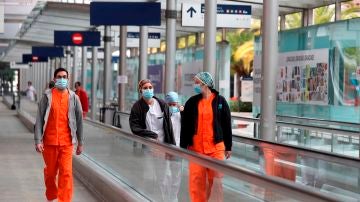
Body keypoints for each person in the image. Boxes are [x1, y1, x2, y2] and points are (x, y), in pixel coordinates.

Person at [180, 72, 232, 202]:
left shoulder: (220, 101)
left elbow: (226, 124)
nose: (195, 85)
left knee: (216, 182)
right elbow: (185, 125)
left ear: (205, 84)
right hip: (196, 150)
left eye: (197, 82)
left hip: (216, 149)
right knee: (196, 182)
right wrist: (182, 146)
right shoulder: (192, 102)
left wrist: (228, 146)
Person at [34, 67, 84, 202]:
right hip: (49, 143)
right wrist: (38, 140)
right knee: (50, 173)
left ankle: (64, 200)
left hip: (67, 143)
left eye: (64, 77)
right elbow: (39, 119)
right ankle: (51, 194)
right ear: (54, 79)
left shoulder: (74, 98)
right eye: (59, 77)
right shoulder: (47, 96)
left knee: (66, 173)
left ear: (68, 79)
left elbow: (79, 121)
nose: (62, 79)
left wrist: (80, 143)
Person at [129, 79, 175, 202]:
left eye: (150, 87)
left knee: (165, 177)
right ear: (140, 90)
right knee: (148, 176)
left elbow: (169, 127)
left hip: (163, 147)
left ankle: (165, 199)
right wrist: (151, 135)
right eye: (145, 88)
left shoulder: (162, 104)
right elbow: (135, 128)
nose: (148, 90)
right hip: (148, 147)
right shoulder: (137, 107)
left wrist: (171, 147)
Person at [164, 91, 184, 202]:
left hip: (178, 149)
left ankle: (173, 198)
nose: (172, 106)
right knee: (166, 175)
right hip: (166, 149)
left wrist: (182, 111)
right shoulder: (162, 115)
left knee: (176, 175)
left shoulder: (180, 114)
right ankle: (165, 198)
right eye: (170, 104)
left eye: (174, 104)